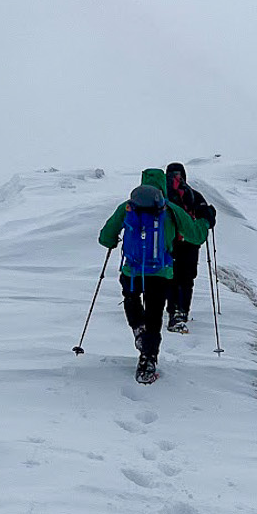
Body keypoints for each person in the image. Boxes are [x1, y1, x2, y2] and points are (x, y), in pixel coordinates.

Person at [98, 167, 209, 383]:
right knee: (154, 315)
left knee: (131, 297)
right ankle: (148, 360)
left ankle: (138, 328)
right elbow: (196, 236)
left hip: (132, 270)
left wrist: (113, 241)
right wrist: (206, 220)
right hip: (160, 272)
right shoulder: (171, 209)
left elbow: (105, 237)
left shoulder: (128, 207)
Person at [164, 162, 217, 333]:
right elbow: (207, 219)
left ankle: (172, 310)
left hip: (167, 242)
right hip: (190, 243)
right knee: (187, 278)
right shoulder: (193, 195)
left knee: (170, 277)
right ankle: (182, 311)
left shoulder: (161, 195)